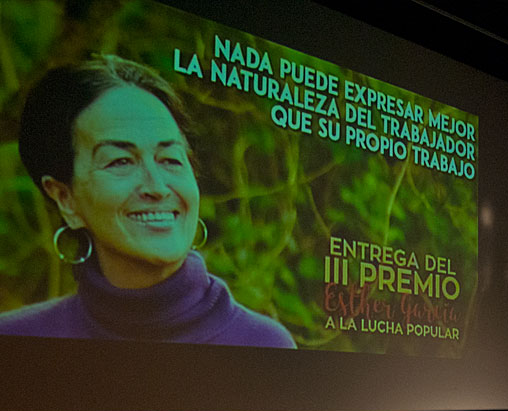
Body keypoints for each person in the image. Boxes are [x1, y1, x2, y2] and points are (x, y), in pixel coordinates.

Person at [0, 54, 296, 348]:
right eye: (120, 162)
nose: (157, 187)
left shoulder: (263, 343)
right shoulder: (15, 337)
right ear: (65, 198)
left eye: (170, 159)